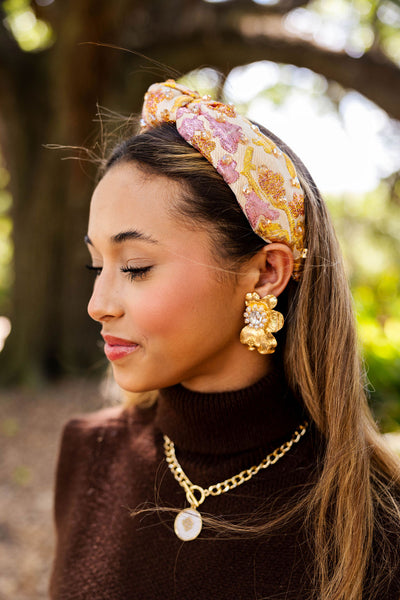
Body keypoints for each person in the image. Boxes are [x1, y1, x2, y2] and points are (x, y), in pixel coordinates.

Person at [49, 79, 400, 600]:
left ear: (264, 273)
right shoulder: (88, 452)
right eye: (96, 265)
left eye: (137, 267)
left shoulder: (374, 517)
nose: (98, 304)